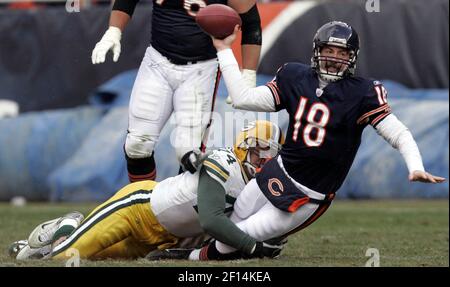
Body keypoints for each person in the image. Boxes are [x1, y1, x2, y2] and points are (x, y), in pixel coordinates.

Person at [165, 21, 446, 261]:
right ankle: (236, 248)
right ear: (317, 51)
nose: (334, 57)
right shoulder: (295, 76)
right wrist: (224, 49)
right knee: (231, 225)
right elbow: (241, 99)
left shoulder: (363, 93)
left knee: (236, 240)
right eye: (328, 50)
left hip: (309, 194)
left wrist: (415, 165)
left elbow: (399, 134)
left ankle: (185, 257)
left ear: (352, 57)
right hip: (278, 170)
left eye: (341, 52)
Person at [9, 120, 285, 260]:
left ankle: (42, 242)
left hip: (163, 238)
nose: (263, 161)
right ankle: (67, 225)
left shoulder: (251, 187)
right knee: (66, 258)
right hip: (137, 209)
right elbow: (211, 220)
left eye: (269, 156)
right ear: (242, 147)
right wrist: (253, 247)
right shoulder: (225, 163)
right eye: (259, 152)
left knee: (92, 258)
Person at [91, 0, 263, 182]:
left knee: (189, 153)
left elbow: (251, 23)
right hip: (157, 62)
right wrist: (114, 31)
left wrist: (249, 74)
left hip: (201, 70)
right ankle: (142, 205)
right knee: (137, 145)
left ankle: (181, 207)